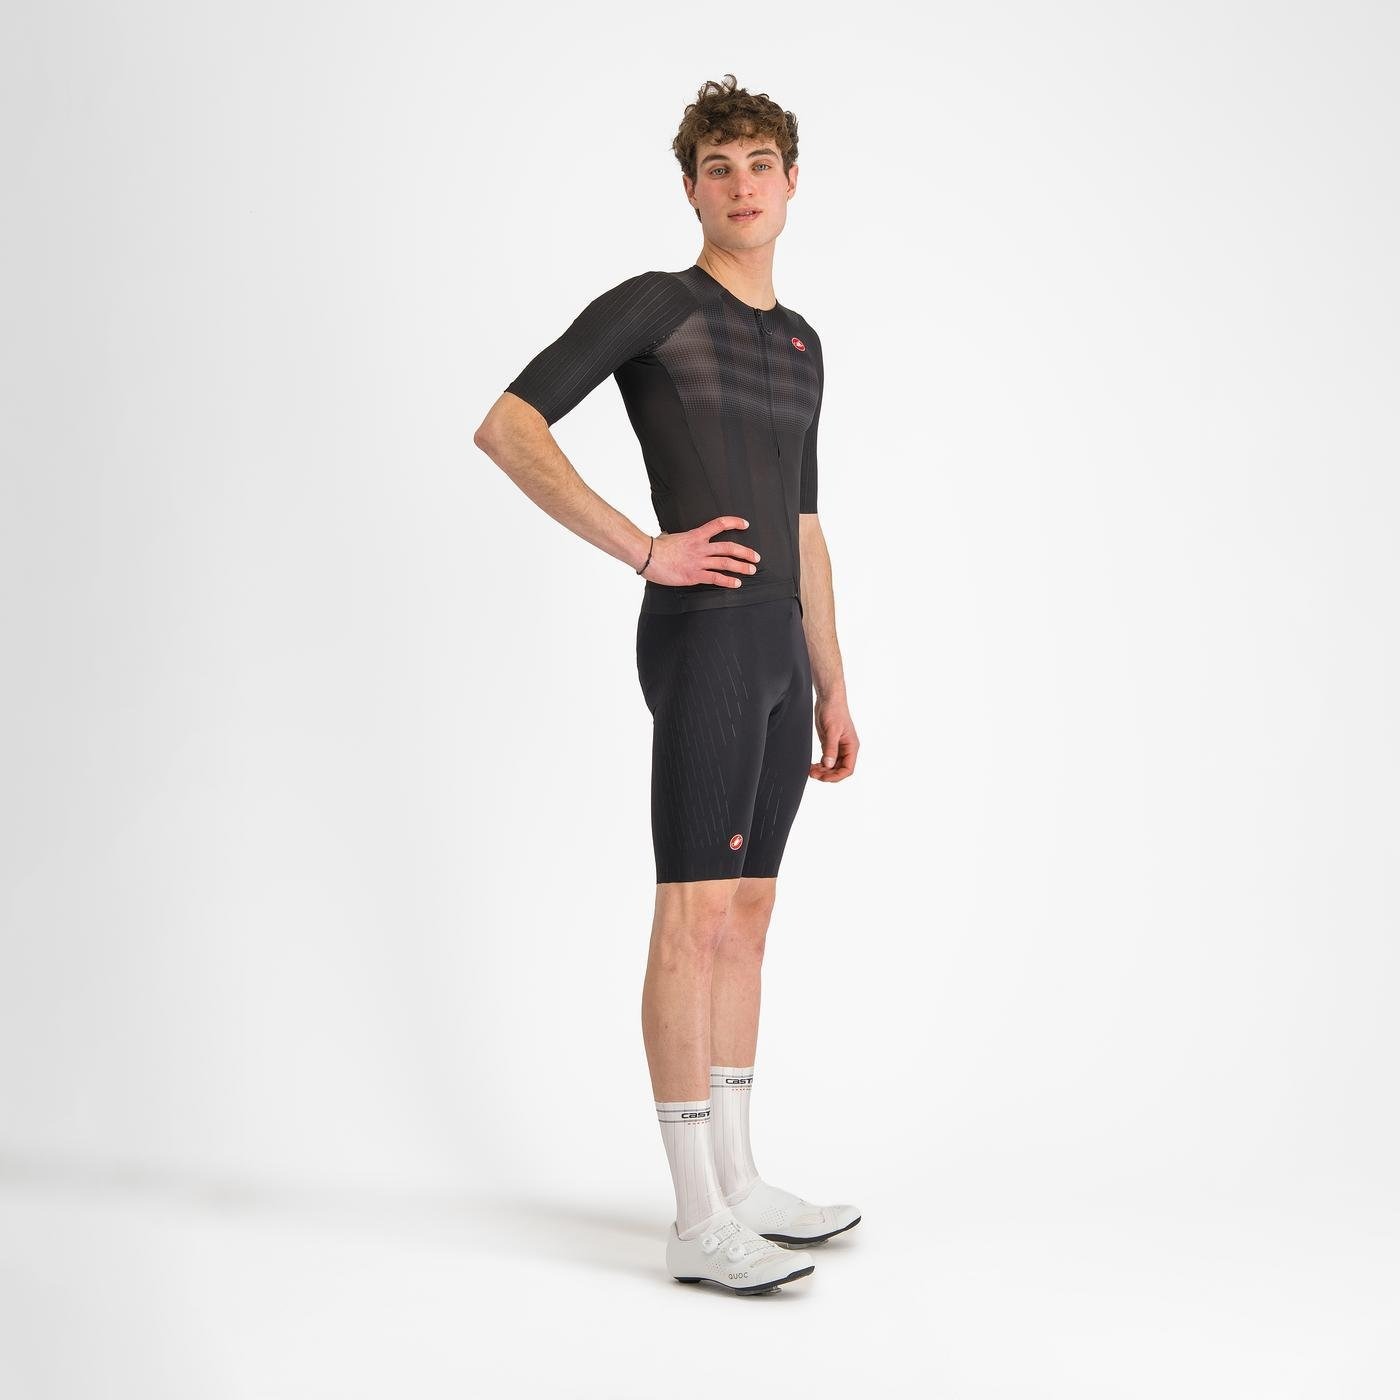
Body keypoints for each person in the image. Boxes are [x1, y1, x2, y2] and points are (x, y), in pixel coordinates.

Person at [473, 74, 861, 1296]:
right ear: (690, 189)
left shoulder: (800, 342)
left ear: (791, 183)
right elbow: (508, 425)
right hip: (702, 639)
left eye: (759, 164)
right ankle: (694, 1216)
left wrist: (832, 680)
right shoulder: (658, 305)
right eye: (717, 168)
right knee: (691, 915)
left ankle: (740, 1181)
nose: (741, 185)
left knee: (748, 915)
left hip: (777, 654)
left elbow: (803, 524)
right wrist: (645, 550)